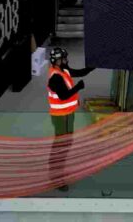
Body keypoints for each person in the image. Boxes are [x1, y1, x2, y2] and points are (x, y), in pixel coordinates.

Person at [47, 47, 94, 191]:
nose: (66, 61)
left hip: (68, 114)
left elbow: (80, 72)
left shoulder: (63, 70)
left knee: (66, 144)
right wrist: (78, 87)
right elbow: (63, 96)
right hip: (61, 117)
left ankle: (58, 172)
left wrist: (93, 66)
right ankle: (56, 178)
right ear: (57, 61)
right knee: (60, 146)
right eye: (64, 59)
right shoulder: (55, 77)